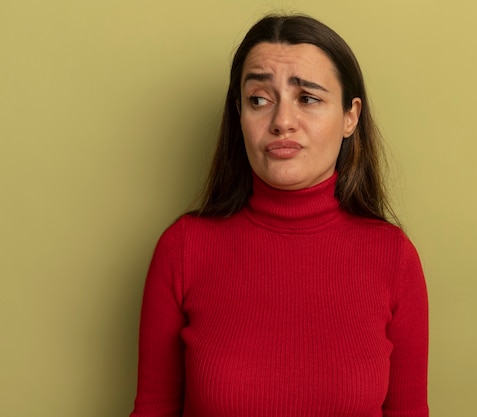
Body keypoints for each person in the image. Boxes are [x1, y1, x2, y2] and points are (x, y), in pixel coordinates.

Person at [130, 13, 428, 417]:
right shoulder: (183, 249)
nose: (282, 122)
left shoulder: (394, 257)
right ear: (239, 115)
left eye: (307, 98)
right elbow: (153, 409)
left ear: (350, 116)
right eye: (259, 100)